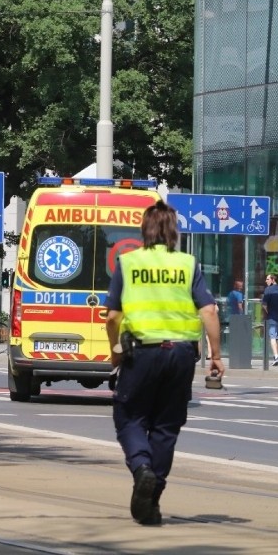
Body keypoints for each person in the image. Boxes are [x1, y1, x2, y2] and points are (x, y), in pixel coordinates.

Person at [105, 200, 224, 526]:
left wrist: (115, 351)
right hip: (181, 355)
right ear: (174, 231)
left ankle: (142, 468)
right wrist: (215, 356)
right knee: (166, 427)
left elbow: (113, 316)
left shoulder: (127, 263)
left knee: (129, 415)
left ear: (145, 230)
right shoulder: (188, 264)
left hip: (141, 352)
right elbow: (209, 311)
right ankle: (151, 502)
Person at [262, 274, 278, 366]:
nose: (266, 281)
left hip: (272, 317)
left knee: (272, 336)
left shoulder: (268, 290)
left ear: (272, 280)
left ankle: (276, 357)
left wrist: (268, 312)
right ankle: (277, 357)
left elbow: (264, 304)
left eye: (267, 279)